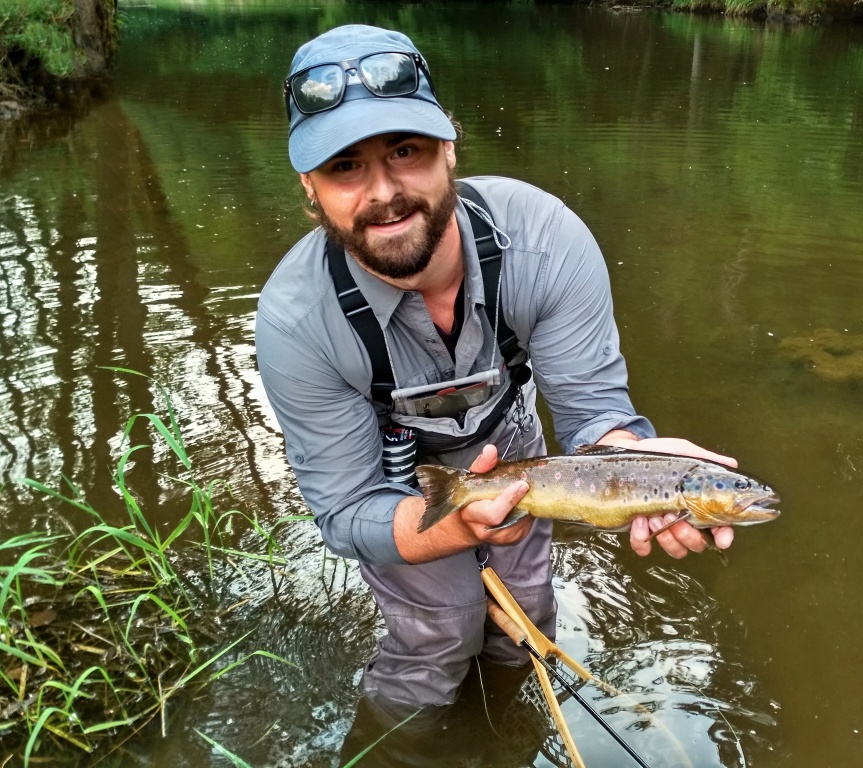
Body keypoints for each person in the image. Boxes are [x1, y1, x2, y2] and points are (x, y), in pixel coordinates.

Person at [255, 23, 737, 731]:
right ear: (309, 188)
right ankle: (397, 747)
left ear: (449, 146)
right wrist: (454, 527)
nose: (384, 192)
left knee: (525, 621)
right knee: (437, 635)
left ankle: (504, 734)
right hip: (389, 475)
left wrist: (643, 468)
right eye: (344, 167)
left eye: (405, 151)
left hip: (512, 443)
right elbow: (347, 511)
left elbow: (591, 414)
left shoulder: (545, 241)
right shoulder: (297, 321)